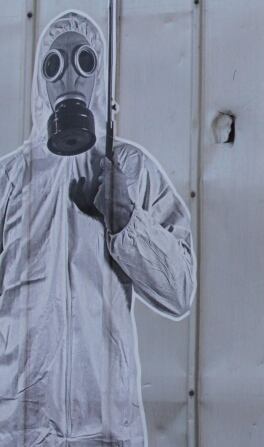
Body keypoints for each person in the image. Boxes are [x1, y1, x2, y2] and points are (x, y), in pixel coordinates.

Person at [0, 10, 195, 446]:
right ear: (41, 81)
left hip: (106, 426)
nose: (69, 77)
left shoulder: (129, 169)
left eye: (84, 62)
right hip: (21, 428)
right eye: (55, 65)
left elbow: (179, 290)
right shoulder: (11, 181)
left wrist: (125, 220)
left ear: (99, 77)